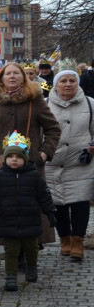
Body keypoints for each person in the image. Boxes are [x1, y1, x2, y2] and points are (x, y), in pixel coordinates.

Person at [0, 62, 61, 248]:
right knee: (5, 209)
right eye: (8, 74)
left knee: (31, 208)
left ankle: (30, 249)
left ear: (23, 76)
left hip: (31, 166)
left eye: (16, 73)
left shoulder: (35, 100)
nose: (12, 76)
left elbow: (53, 128)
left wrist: (45, 153)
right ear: (1, 78)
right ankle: (12, 251)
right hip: (2, 168)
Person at [0, 132, 56, 289]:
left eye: (18, 157)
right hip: (8, 221)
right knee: (11, 251)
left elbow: (44, 196)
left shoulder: (34, 176)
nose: (14, 160)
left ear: (25, 158)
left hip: (31, 221)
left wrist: (50, 212)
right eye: (10, 157)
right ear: (5, 159)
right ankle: (11, 276)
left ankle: (31, 267)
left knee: (32, 248)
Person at [45, 67, 94, 260]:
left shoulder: (90, 104)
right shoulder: (44, 104)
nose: (67, 84)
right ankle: (64, 239)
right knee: (58, 204)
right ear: (56, 84)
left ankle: (77, 242)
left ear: (77, 83)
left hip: (80, 163)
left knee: (80, 203)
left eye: (71, 81)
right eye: (63, 81)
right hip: (52, 163)